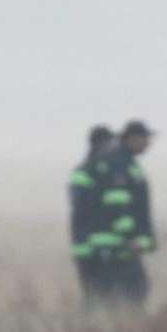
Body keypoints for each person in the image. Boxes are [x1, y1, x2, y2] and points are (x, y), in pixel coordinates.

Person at [72, 119, 158, 306]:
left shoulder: (89, 168)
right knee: (126, 295)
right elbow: (118, 205)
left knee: (100, 297)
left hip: (94, 246)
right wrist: (132, 237)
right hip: (113, 247)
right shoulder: (117, 166)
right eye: (145, 138)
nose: (148, 144)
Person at [69, 125, 118, 301]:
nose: (114, 148)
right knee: (96, 295)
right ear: (100, 144)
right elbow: (84, 209)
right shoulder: (87, 172)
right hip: (91, 245)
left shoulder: (96, 171)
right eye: (111, 143)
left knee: (102, 294)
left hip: (97, 244)